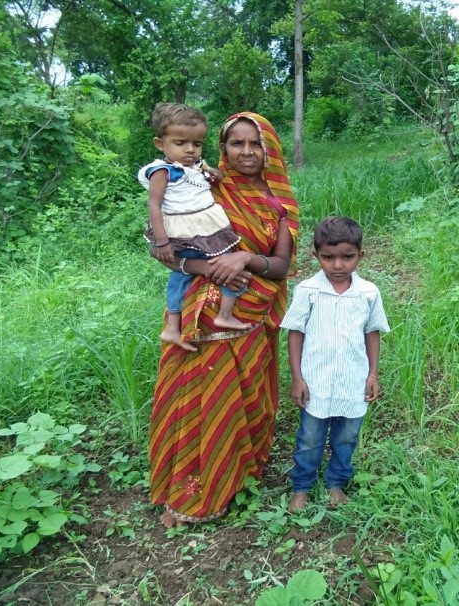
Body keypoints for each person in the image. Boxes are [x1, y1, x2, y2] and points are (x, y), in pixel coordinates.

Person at [148, 112, 299, 527]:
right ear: (224, 148)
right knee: (195, 401)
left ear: (271, 149)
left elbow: (282, 266)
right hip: (199, 320)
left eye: (256, 144)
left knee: (239, 401)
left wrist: (246, 258)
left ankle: (237, 477)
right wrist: (208, 268)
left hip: (248, 320)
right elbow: (166, 251)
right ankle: (189, 492)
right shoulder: (202, 189)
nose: (247, 152)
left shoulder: (279, 205)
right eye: (237, 144)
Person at [280, 216, 390, 512]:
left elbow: (372, 332)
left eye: (347, 257)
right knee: (309, 439)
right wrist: (297, 378)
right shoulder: (308, 290)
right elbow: (295, 333)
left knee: (347, 438)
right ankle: (301, 487)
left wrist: (372, 374)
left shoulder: (368, 292)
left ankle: (336, 483)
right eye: (328, 258)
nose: (338, 265)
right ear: (316, 255)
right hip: (315, 382)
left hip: (353, 381)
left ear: (360, 256)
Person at [139, 102, 251, 352]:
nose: (190, 150)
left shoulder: (194, 166)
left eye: (197, 144)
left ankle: (172, 329)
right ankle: (224, 314)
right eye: (181, 143)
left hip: (202, 227)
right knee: (226, 264)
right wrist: (162, 241)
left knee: (181, 275)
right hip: (182, 231)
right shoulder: (162, 171)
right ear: (161, 144)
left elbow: (207, 175)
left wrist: (213, 174)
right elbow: (154, 206)